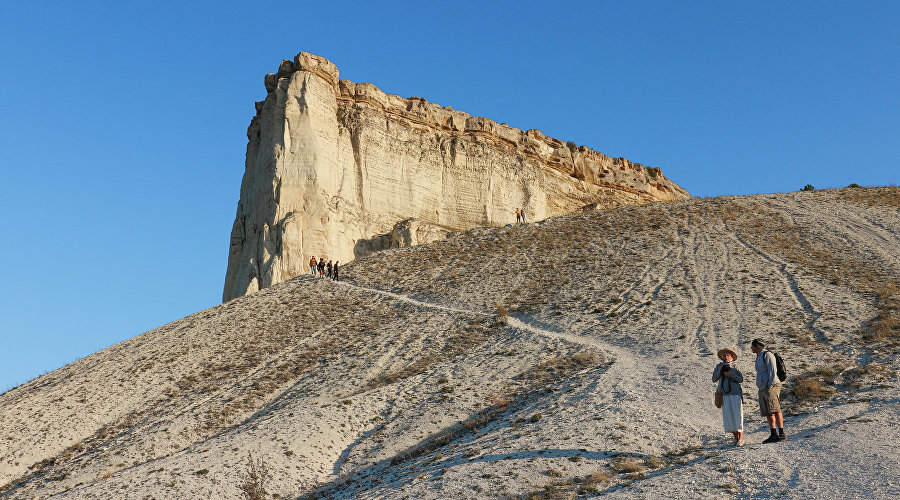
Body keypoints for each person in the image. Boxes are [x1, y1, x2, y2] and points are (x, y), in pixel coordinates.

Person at [751, 339, 785, 443]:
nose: (751, 348)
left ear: (757, 346)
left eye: (752, 346)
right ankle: (773, 434)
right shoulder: (758, 356)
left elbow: (772, 370)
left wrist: (770, 385)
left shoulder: (767, 355)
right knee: (768, 412)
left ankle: (781, 433)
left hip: (771, 386)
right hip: (763, 388)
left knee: (775, 409)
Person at [713, 347, 744, 446]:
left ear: (731, 356)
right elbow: (714, 379)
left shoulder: (735, 366)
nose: (725, 357)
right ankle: (735, 438)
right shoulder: (719, 366)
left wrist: (731, 374)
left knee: (737, 415)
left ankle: (741, 438)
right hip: (724, 394)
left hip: (735, 393)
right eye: (724, 355)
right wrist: (720, 371)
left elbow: (740, 379)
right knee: (729, 416)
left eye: (727, 355)